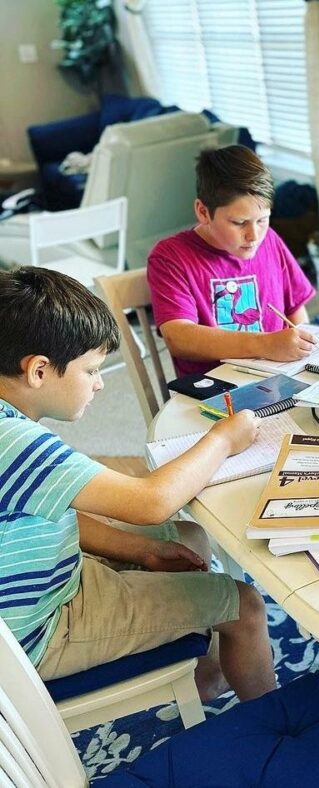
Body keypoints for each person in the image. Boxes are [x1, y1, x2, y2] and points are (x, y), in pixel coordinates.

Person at [0, 266, 276, 702]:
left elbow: (51, 515)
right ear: (38, 370)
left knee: (188, 538)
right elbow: (151, 502)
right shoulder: (12, 440)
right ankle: (277, 727)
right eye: (91, 370)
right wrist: (223, 438)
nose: (100, 383)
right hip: (39, 631)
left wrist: (143, 550)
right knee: (245, 605)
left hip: (44, 581)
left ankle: (202, 679)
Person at [148, 145, 317, 377]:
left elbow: (296, 311)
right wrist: (265, 344)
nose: (254, 236)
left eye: (262, 220)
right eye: (239, 223)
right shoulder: (170, 257)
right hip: (216, 391)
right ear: (203, 212)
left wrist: (302, 348)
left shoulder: (270, 241)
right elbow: (179, 337)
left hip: (279, 377)